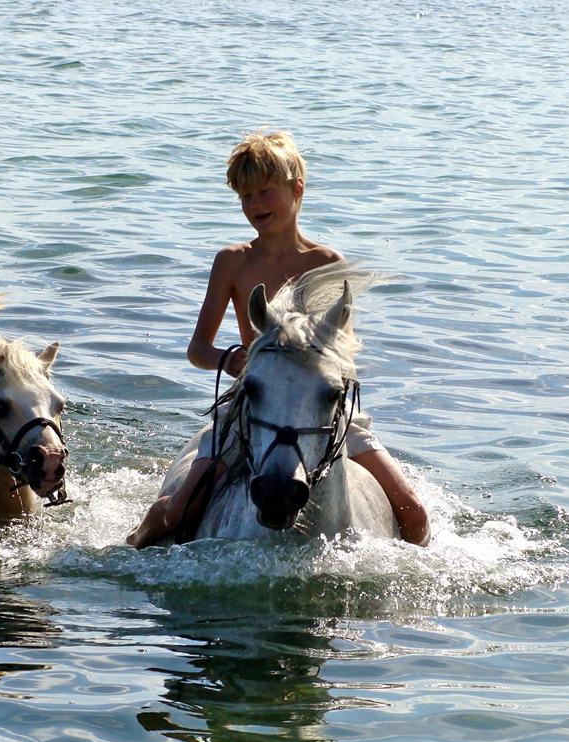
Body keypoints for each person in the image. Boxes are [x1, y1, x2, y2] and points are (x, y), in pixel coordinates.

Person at [127, 131, 429, 548]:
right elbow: (197, 350)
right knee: (180, 509)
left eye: (265, 192)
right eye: (245, 196)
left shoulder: (326, 263)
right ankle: (130, 550)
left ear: (296, 189)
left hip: (322, 407)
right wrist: (231, 360)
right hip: (251, 405)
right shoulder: (232, 261)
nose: (254, 205)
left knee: (413, 511)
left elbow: (344, 354)